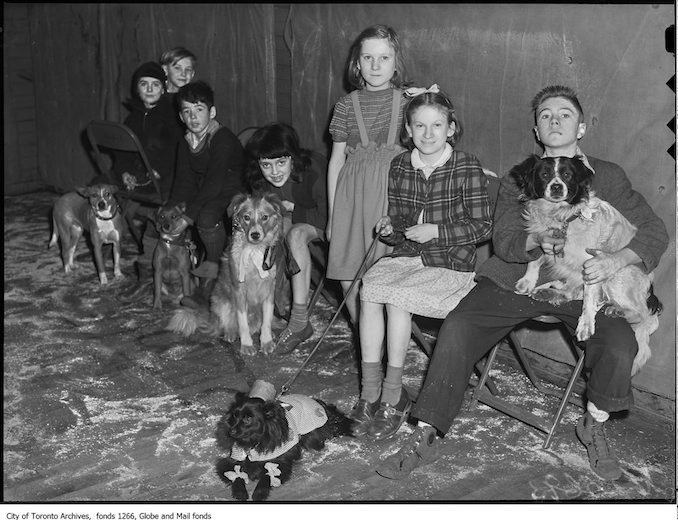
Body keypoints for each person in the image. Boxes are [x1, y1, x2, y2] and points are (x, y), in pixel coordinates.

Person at [374, 85, 669, 482]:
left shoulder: (608, 175)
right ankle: (427, 431)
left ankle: (594, 424)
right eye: (546, 115)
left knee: (619, 344)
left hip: (588, 287)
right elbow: (506, 241)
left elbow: (654, 231)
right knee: (459, 326)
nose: (555, 121)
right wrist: (537, 241)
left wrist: (617, 260)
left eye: (564, 114)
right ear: (536, 127)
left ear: (581, 127)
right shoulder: (523, 176)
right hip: (519, 280)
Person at [350, 88, 492, 439]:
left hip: (451, 264)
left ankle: (393, 394)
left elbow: (482, 226)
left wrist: (437, 231)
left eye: (437, 125)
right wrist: (389, 229)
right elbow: (401, 226)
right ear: (409, 131)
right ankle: (370, 391)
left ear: (451, 129)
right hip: (410, 258)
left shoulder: (466, 165)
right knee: (370, 288)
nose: (428, 134)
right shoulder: (400, 165)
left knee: (398, 298)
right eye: (420, 126)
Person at [326, 24, 411, 328]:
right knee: (349, 276)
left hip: (391, 199)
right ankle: (365, 335)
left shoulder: (409, 103)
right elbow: (336, 162)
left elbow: (431, 149)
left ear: (395, 62)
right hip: (352, 201)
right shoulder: (346, 105)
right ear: (357, 63)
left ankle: (385, 340)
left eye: (384, 58)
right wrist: (333, 216)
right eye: (368, 58)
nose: (376, 66)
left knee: (385, 277)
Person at [244, 123, 328, 353]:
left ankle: (299, 321)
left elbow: (329, 218)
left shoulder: (314, 169)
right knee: (267, 236)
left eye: (281, 162)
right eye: (266, 165)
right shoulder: (260, 181)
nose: (275, 172)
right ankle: (268, 306)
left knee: (296, 233)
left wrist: (293, 208)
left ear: (293, 157)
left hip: (331, 225)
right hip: (293, 221)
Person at [169, 80, 246, 307]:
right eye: (187, 111)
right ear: (181, 117)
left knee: (206, 217)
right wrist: (174, 209)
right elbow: (183, 181)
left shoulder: (221, 138)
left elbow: (215, 182)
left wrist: (187, 217)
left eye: (199, 110)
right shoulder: (186, 141)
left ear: (212, 112)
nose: (193, 117)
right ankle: (196, 271)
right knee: (182, 212)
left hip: (232, 190)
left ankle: (211, 279)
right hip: (208, 190)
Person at [113, 61, 184, 282]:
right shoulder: (133, 117)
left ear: (164, 89)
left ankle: (150, 259)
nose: (150, 89)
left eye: (155, 85)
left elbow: (176, 150)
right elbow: (122, 153)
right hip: (140, 176)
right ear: (137, 89)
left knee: (159, 209)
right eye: (144, 84)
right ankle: (140, 222)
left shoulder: (171, 115)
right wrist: (125, 171)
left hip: (166, 176)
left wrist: (159, 170)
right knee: (113, 187)